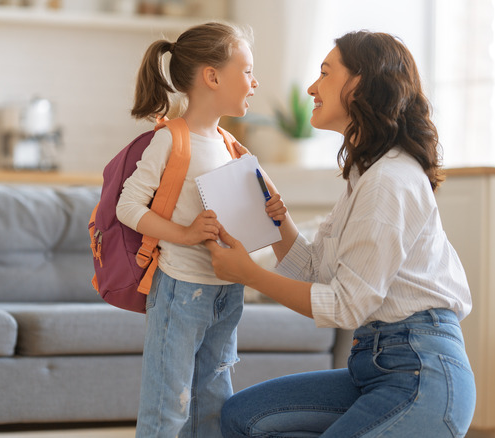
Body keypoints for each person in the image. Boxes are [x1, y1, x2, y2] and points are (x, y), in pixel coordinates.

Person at [205, 30, 476, 438]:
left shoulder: (390, 181)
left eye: (325, 74)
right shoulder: (364, 175)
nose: (313, 87)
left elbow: (346, 306)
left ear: (361, 84)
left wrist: (249, 274)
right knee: (243, 416)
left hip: (421, 372)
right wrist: (279, 224)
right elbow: (315, 270)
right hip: (374, 366)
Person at [116, 22, 259, 438]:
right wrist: (186, 233)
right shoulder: (170, 140)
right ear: (212, 77)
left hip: (227, 292)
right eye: (247, 70)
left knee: (213, 406)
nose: (255, 81)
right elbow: (129, 205)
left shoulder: (233, 146)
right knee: (167, 408)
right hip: (181, 291)